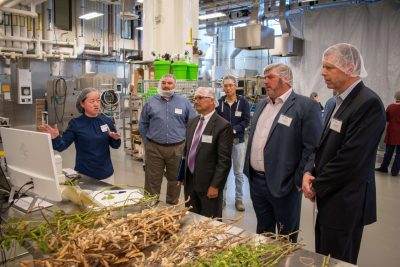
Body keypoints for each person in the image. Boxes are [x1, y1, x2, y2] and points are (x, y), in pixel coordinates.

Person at [302, 43, 386, 264]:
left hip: (345, 202)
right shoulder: (336, 101)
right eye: (323, 67)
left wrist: (316, 186)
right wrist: (308, 171)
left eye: (329, 67)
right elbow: (321, 145)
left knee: (339, 259)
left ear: (349, 67)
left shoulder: (368, 103)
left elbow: (350, 160)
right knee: (324, 256)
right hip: (329, 196)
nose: (323, 73)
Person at [243, 63, 322, 242]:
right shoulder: (262, 104)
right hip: (256, 181)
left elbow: (312, 147)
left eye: (270, 77)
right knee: (263, 231)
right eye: (265, 77)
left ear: (286, 78)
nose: (265, 82)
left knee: (287, 235)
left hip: (285, 184)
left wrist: (298, 179)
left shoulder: (305, 106)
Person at [38, 88, 121, 184]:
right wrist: (55, 137)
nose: (96, 104)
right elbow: (61, 146)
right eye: (92, 101)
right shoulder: (76, 124)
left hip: (107, 175)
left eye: (98, 101)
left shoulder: (106, 121)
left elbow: (116, 145)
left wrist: (116, 139)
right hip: (85, 175)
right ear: (82, 104)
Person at [139, 74, 196, 204]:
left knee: (175, 180)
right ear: (160, 84)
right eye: (164, 83)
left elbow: (192, 123)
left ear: (174, 85)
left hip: (177, 148)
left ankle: (172, 205)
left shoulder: (184, 102)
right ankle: (150, 207)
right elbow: (143, 123)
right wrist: (147, 143)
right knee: (152, 179)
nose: (166, 85)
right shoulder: (151, 101)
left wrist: (186, 144)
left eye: (169, 83)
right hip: (154, 147)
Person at [179, 87, 233, 218]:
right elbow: (187, 151)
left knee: (210, 222)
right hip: (190, 182)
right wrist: (181, 175)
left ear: (211, 101)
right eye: (195, 98)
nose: (196, 101)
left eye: (200, 98)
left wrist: (215, 185)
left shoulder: (222, 126)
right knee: (191, 219)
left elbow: (224, 161)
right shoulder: (192, 122)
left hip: (208, 184)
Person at [216, 75, 250, 211]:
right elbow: (216, 120)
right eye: (225, 86)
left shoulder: (243, 103)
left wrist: (234, 130)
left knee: (238, 173)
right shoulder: (219, 103)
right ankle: (222, 198)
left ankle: (239, 199)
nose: (228, 88)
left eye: (231, 85)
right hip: (223, 143)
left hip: (238, 142)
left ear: (236, 86)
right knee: (222, 170)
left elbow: (246, 121)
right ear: (222, 87)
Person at [375, 90, 400, 176]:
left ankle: (384, 168)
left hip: (391, 132)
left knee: (388, 152)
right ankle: (395, 171)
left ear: (395, 97)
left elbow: (386, 119)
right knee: (399, 154)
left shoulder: (390, 107)